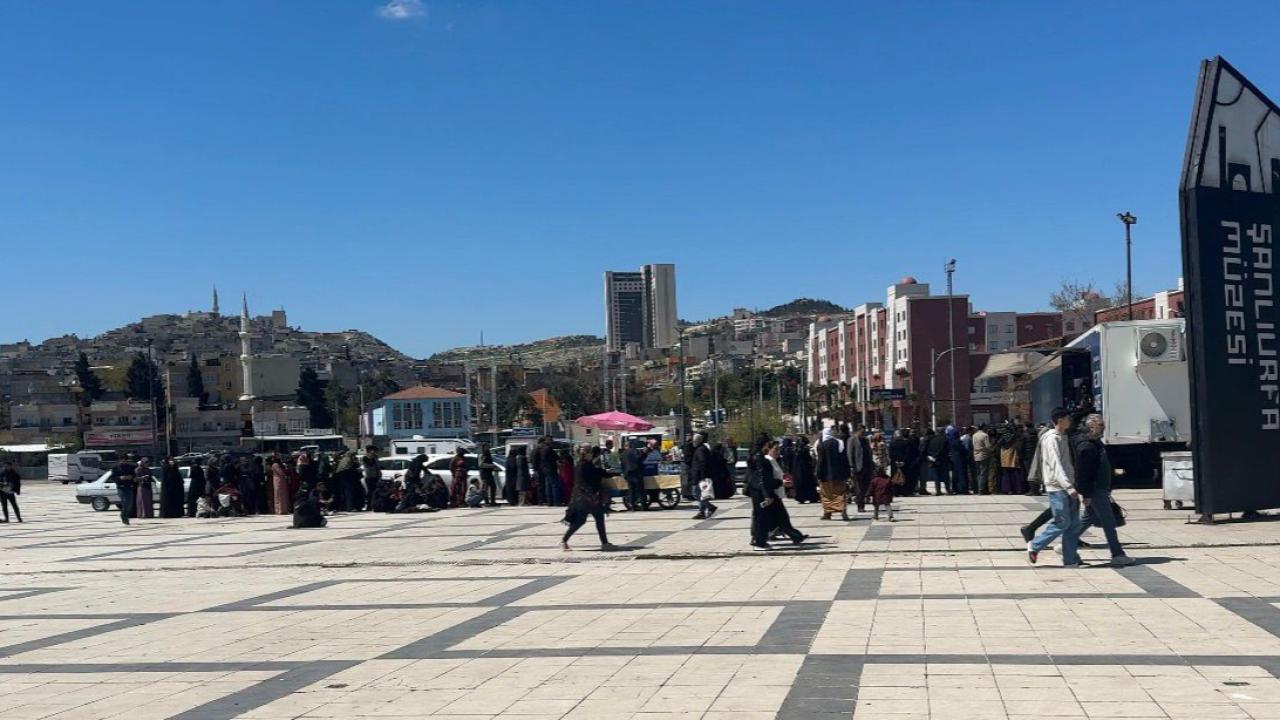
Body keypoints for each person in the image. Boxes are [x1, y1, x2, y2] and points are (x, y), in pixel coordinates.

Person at [1074, 414, 1134, 566]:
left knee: (1089, 518)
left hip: (1101, 489)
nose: (1103, 428)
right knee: (1109, 522)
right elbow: (1084, 473)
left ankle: (1066, 543)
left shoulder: (1096, 443)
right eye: (1100, 425)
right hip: (1096, 490)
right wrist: (1086, 493)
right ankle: (1117, 554)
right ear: (1091, 426)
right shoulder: (1087, 446)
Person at [1028, 408, 1084, 567]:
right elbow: (1055, 465)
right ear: (1060, 420)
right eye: (1067, 418)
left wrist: (1072, 484)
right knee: (1062, 522)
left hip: (1068, 485)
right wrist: (1068, 487)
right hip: (1057, 487)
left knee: (1073, 525)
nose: (1070, 420)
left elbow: (1067, 464)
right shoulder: (1051, 439)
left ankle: (1070, 559)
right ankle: (1035, 545)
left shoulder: (1063, 437)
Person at [749, 440, 807, 550]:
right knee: (762, 517)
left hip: (767, 492)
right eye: (775, 449)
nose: (778, 451)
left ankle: (795, 536)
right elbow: (763, 479)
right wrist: (768, 495)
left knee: (778, 516)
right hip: (764, 492)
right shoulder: (763, 460)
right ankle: (759, 542)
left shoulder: (763, 459)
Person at [561, 446, 617, 551]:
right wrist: (609, 473)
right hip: (589, 498)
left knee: (580, 521)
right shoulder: (586, 465)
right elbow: (596, 475)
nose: (592, 455)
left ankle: (564, 541)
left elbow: (595, 474)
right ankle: (605, 543)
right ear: (587, 454)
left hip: (580, 498)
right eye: (590, 453)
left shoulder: (579, 465)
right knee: (599, 518)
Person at [815, 426, 851, 521]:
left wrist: (818, 474)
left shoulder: (821, 445)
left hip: (825, 475)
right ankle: (843, 513)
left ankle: (827, 513)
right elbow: (844, 459)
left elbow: (820, 461)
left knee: (826, 494)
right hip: (839, 474)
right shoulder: (840, 443)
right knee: (840, 493)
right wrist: (847, 472)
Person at [622, 440, 648, 511]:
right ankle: (643, 505)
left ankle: (632, 506)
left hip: (627, 474)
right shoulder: (634, 451)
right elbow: (638, 459)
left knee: (631, 490)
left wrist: (624, 474)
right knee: (640, 489)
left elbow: (622, 465)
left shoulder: (623, 453)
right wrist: (644, 453)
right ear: (631, 445)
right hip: (636, 472)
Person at [535, 438, 561, 506]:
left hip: (545, 470)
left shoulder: (541, 450)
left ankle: (549, 502)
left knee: (548, 486)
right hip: (551, 469)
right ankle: (556, 502)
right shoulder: (550, 450)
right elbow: (557, 458)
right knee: (554, 486)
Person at [114, 455, 138, 525]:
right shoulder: (116, 468)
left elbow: (134, 475)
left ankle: (125, 515)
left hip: (129, 487)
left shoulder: (130, 467)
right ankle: (124, 517)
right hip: (121, 487)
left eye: (125, 460)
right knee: (125, 502)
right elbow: (113, 477)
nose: (124, 461)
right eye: (122, 460)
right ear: (120, 460)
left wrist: (131, 477)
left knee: (130, 503)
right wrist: (121, 478)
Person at [924, 428, 949, 495]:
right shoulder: (945, 439)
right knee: (945, 476)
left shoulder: (932, 440)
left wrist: (932, 457)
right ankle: (948, 489)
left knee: (936, 476)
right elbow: (944, 449)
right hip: (942, 459)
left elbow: (929, 449)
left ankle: (938, 490)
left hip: (933, 459)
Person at [689, 433, 711, 503]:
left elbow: (703, 462)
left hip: (699, 475)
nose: (693, 442)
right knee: (701, 493)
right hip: (699, 474)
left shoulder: (700, 450)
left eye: (694, 441)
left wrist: (702, 476)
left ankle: (708, 506)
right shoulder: (701, 448)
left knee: (697, 493)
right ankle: (704, 507)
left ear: (698, 441)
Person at [972, 425, 993, 495]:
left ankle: (979, 488)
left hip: (976, 455)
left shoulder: (974, 435)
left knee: (978, 473)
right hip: (983, 455)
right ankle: (981, 490)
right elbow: (988, 446)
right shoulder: (985, 435)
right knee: (983, 474)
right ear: (984, 428)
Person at [361, 447, 381, 511]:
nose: (374, 452)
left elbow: (378, 467)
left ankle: (374, 504)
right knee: (370, 491)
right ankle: (368, 505)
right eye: (372, 451)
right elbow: (369, 464)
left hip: (376, 476)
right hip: (369, 476)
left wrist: (379, 474)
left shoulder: (375, 458)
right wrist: (372, 457)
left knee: (375, 491)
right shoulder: (365, 458)